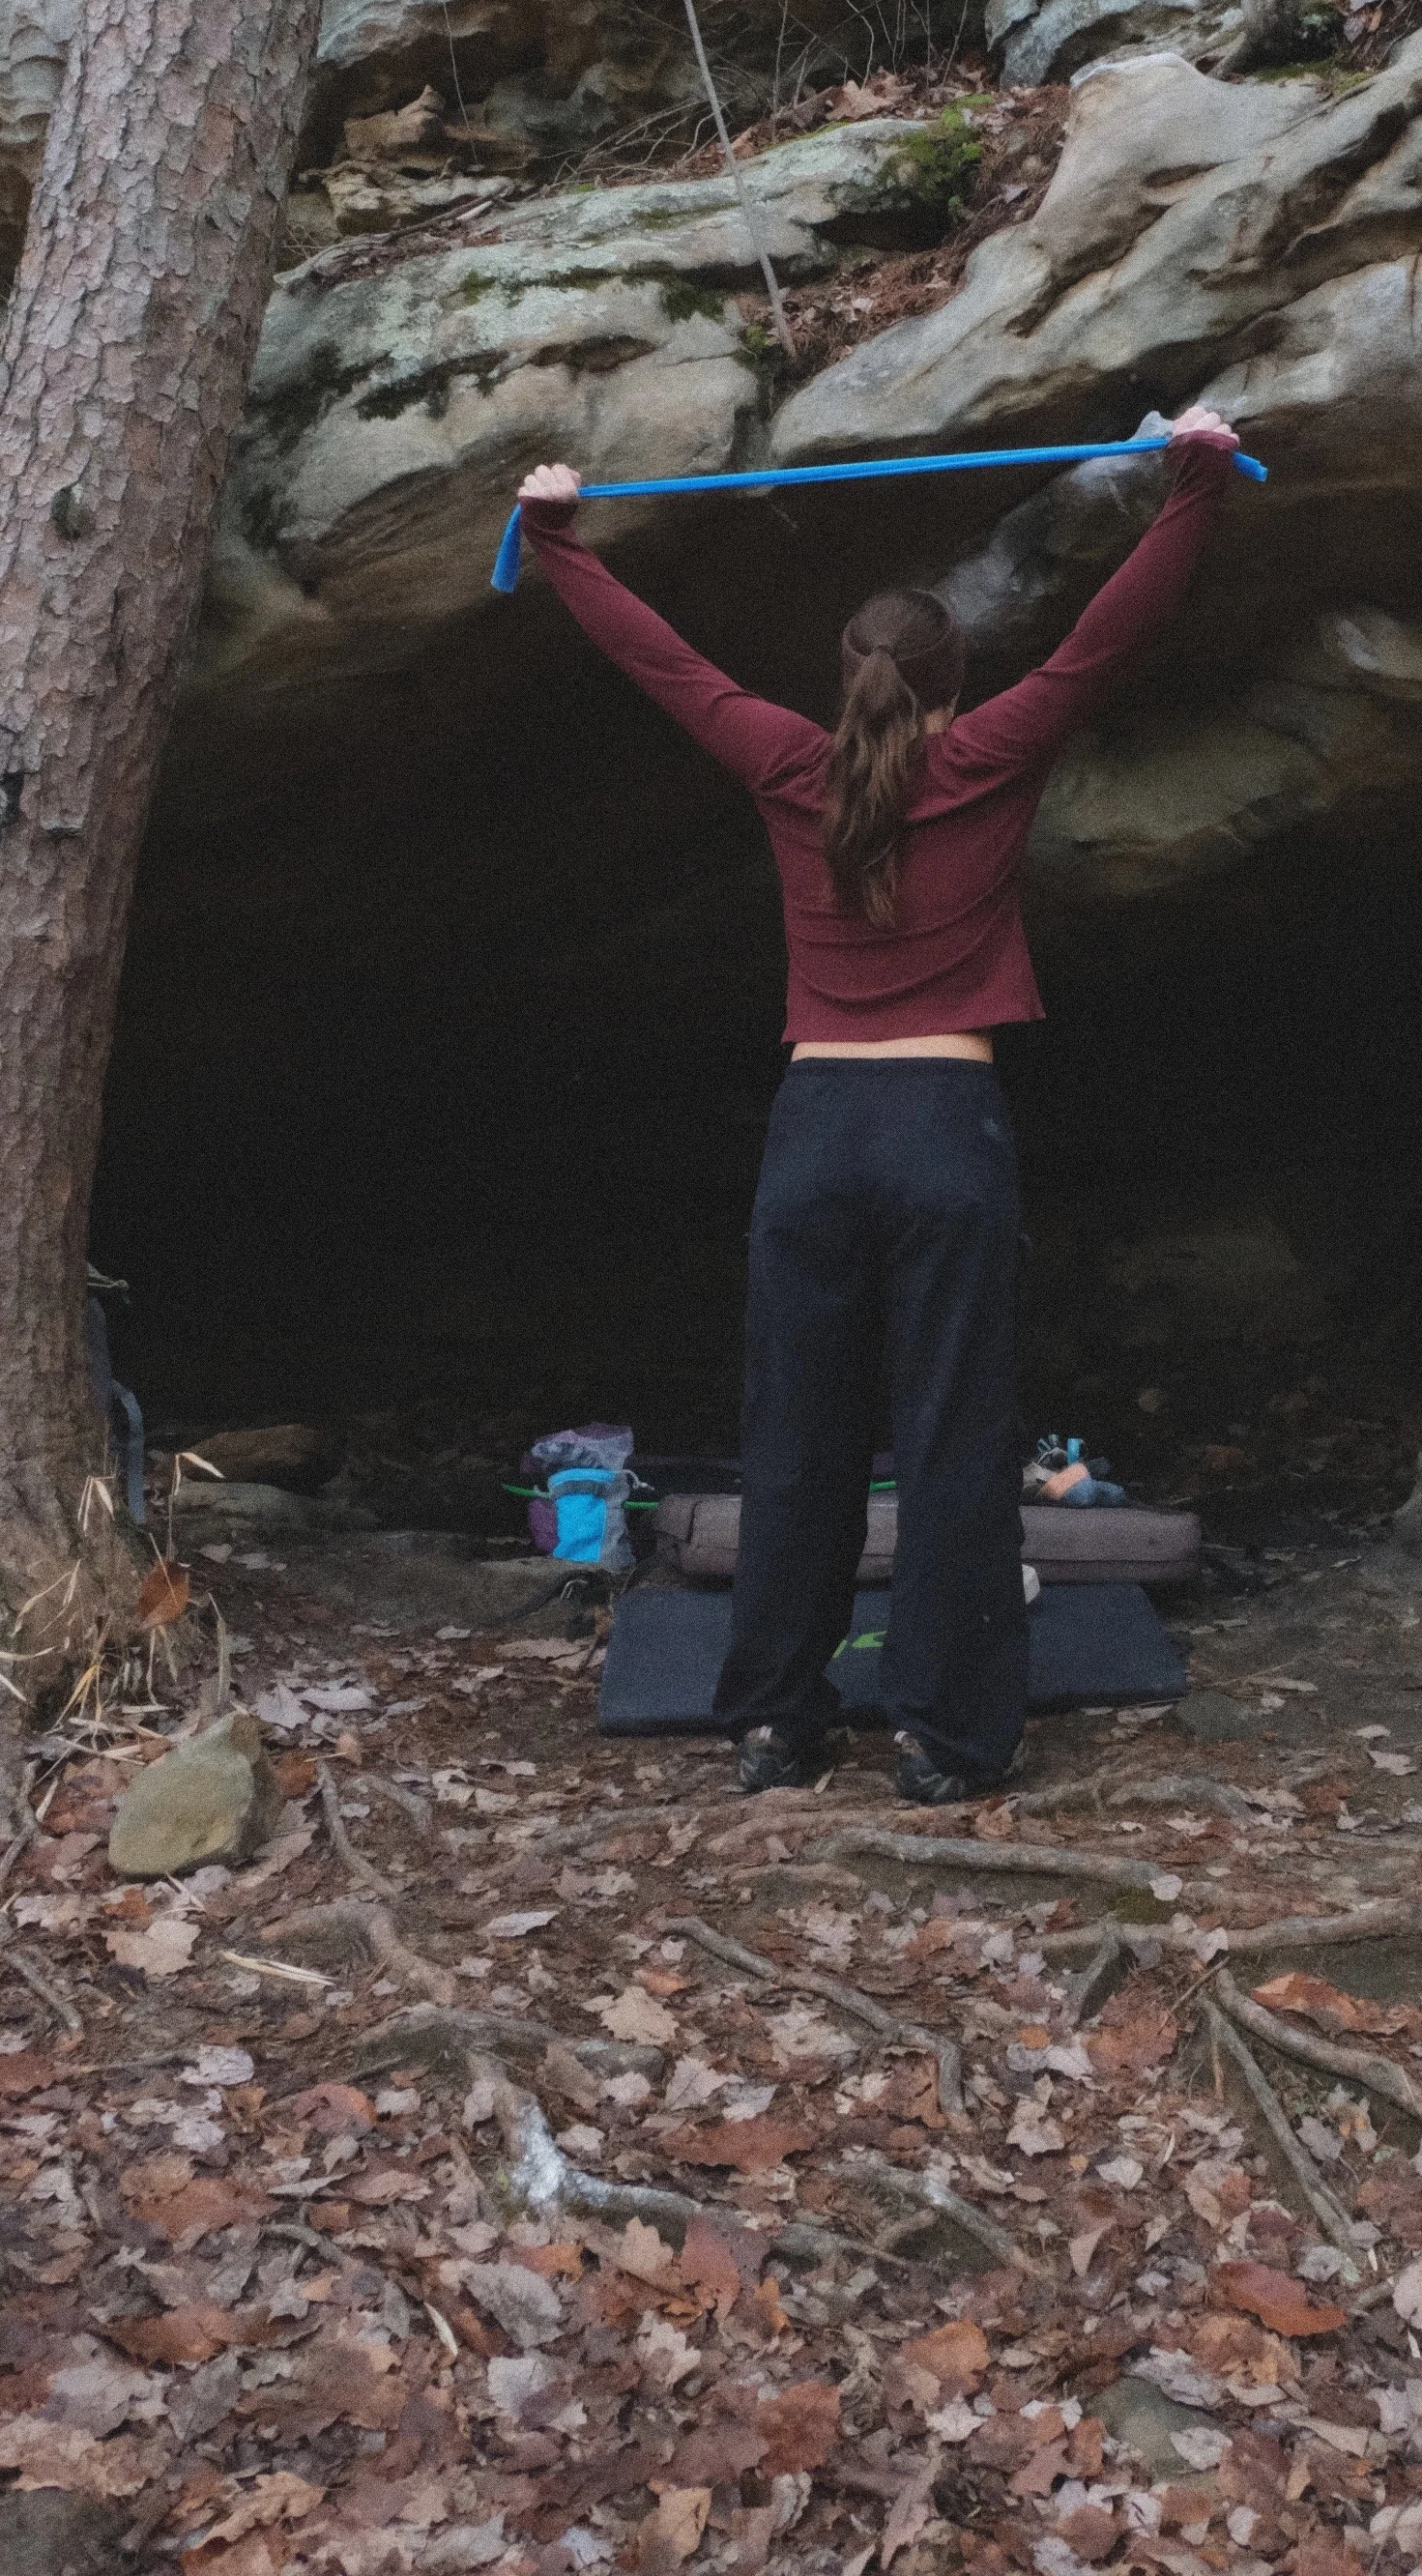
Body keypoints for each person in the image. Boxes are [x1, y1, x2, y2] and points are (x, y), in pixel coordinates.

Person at [515, 409, 1246, 1804]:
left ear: (841, 678)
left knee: (797, 1435)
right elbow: (1107, 635)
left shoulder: (788, 764)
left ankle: (775, 1725)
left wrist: (558, 536)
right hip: (940, 1132)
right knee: (952, 1439)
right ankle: (945, 1737)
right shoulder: (990, 753)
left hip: (815, 1139)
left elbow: (661, 662)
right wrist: (1192, 479)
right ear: (952, 677)